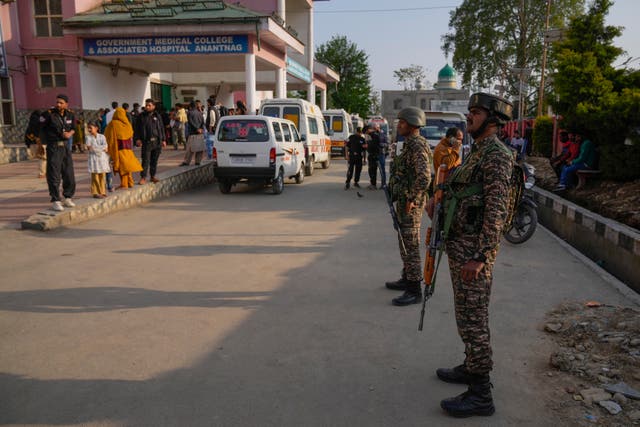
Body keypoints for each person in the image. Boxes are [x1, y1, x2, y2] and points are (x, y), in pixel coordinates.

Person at [433, 93, 514, 418]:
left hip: (473, 253)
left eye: (476, 112)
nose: (469, 117)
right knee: (465, 315)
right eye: (469, 112)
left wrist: (481, 256)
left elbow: (496, 210)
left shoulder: (496, 155)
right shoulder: (477, 151)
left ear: (493, 120)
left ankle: (481, 394)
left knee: (474, 321)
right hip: (461, 246)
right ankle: (470, 367)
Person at [385, 107, 432, 306]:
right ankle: (407, 277)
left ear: (413, 124)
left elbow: (425, 177)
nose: (399, 125)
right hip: (405, 201)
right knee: (404, 241)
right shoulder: (409, 144)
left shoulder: (417, 145)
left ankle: (414, 290)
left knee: (410, 245)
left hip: (411, 204)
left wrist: (412, 198)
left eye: (402, 122)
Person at [40, 94, 77, 212]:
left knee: (68, 173)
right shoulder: (49, 114)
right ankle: (56, 200)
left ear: (66, 104)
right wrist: (41, 143)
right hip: (54, 147)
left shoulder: (70, 114)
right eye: (57, 102)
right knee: (54, 174)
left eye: (61, 103)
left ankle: (68, 197)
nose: (58, 104)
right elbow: (40, 126)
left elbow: (74, 127)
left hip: (65, 147)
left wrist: (69, 134)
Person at [105, 107, 142, 189]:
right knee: (127, 166)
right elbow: (131, 134)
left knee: (122, 167)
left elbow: (107, 135)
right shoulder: (128, 124)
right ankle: (130, 182)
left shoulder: (113, 124)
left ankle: (124, 184)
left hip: (118, 149)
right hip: (128, 149)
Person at [135, 98, 166, 185]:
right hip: (147, 142)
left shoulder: (157, 116)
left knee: (154, 160)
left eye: (149, 105)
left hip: (157, 141)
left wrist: (163, 139)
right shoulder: (141, 116)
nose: (147, 107)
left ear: (153, 106)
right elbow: (136, 128)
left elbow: (161, 128)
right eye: (146, 105)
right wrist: (137, 139)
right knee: (145, 160)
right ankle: (143, 177)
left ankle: (152, 176)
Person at [85, 121, 110, 198]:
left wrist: (96, 148)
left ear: (96, 128)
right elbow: (89, 148)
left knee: (102, 175)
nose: (89, 130)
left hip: (102, 159)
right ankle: (96, 192)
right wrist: (101, 148)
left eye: (90, 128)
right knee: (95, 176)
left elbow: (106, 147)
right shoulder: (88, 137)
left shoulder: (102, 137)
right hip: (94, 159)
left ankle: (103, 191)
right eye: (88, 128)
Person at [181, 101, 205, 166]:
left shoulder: (189, 113)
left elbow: (190, 122)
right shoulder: (200, 113)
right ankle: (198, 161)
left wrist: (196, 129)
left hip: (193, 133)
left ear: (190, 106)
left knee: (190, 149)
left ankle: (187, 161)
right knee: (200, 148)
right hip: (200, 133)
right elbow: (203, 122)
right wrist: (200, 129)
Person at [24, 110, 46, 178]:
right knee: (43, 159)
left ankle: (43, 172)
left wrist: (28, 144)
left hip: (33, 144)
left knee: (41, 158)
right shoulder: (40, 123)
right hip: (41, 143)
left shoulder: (30, 125)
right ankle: (42, 173)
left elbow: (27, 135)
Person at [365, 125, 382, 189]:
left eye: (366, 132)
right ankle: (372, 183)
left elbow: (374, 145)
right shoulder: (372, 135)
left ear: (369, 130)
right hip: (371, 155)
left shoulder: (375, 135)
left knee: (373, 170)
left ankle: (374, 185)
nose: (366, 133)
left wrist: (368, 144)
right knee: (370, 170)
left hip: (374, 155)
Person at [375, 124, 388, 189]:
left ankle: (383, 184)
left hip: (381, 154)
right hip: (375, 154)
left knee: (382, 170)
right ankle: (373, 184)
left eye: (376, 127)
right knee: (373, 169)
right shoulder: (373, 135)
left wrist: (381, 144)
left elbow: (387, 144)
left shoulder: (383, 135)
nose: (375, 129)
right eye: (374, 128)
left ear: (379, 127)